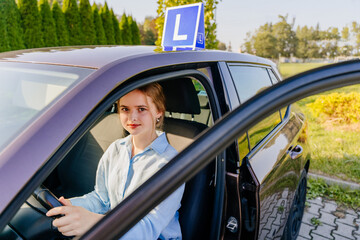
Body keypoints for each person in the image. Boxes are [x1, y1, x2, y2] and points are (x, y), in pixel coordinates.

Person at [47, 83, 185, 239]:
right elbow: (102, 199)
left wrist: (93, 222)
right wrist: (71, 205)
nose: (132, 117)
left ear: (158, 112)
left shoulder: (170, 163)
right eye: (125, 109)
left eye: (141, 109)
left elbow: (149, 228)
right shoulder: (116, 148)